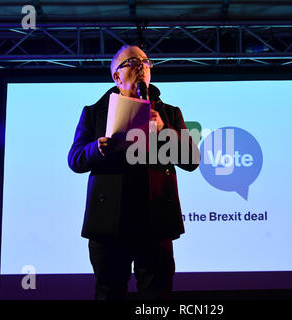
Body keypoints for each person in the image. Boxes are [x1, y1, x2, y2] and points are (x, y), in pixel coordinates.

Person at [67, 45, 200, 300]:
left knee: (157, 295)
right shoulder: (94, 113)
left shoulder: (169, 113)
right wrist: (96, 149)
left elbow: (192, 160)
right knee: (109, 293)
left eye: (145, 62)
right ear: (116, 77)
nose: (141, 67)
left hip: (155, 221)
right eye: (132, 63)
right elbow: (75, 159)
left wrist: (163, 130)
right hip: (109, 224)